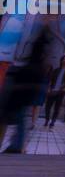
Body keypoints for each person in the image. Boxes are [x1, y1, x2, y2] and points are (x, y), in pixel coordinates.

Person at [0, 21, 54, 154]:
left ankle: (17, 145)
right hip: (29, 81)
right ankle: (18, 145)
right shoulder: (41, 55)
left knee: (13, 115)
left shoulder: (35, 52)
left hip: (25, 81)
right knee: (18, 116)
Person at [44, 54, 65, 128]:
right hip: (52, 90)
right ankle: (47, 119)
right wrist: (48, 88)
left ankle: (53, 122)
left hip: (61, 91)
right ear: (61, 60)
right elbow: (51, 80)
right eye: (63, 59)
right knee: (47, 106)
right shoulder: (56, 70)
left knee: (57, 107)